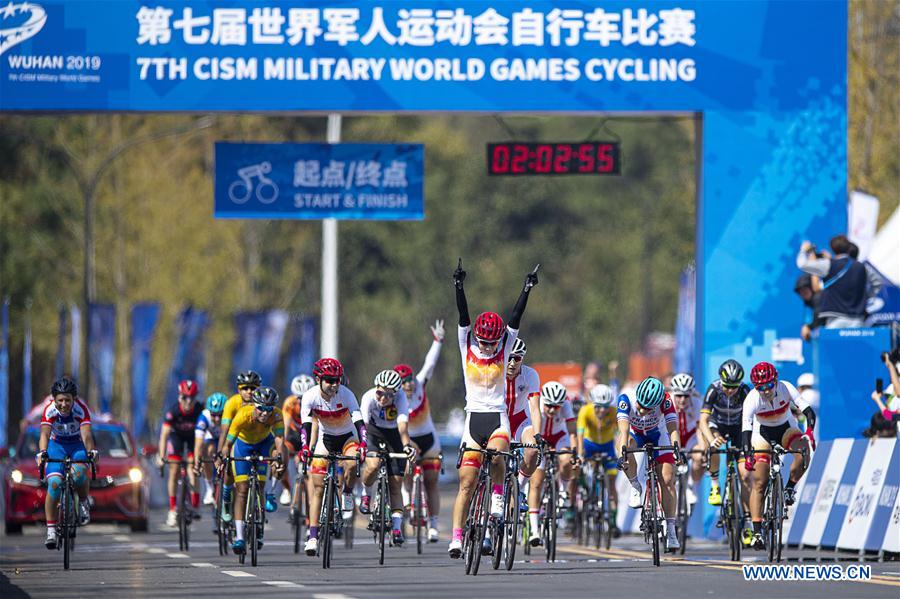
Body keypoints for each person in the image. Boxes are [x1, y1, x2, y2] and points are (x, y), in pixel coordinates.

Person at [448, 259, 539, 559]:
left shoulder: (504, 347)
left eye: (492, 342)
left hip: (497, 418)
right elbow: (463, 316)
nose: (487, 347)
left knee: (499, 455)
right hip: (473, 418)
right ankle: (458, 537)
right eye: (483, 342)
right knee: (467, 482)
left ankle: (498, 498)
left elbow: (516, 317)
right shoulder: (466, 347)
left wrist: (526, 288)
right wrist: (459, 286)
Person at [742, 361, 816, 551]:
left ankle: (790, 488)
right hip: (762, 434)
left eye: (768, 386)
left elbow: (808, 412)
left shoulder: (786, 388)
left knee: (803, 451)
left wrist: (809, 432)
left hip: (786, 428)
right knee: (760, 481)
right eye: (760, 388)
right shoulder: (751, 399)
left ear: (775, 381)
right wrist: (748, 454)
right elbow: (746, 430)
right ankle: (757, 531)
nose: (765, 391)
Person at [300, 358, 366, 557]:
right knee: (317, 488)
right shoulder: (310, 396)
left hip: (348, 438)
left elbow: (360, 422)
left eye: (337, 380)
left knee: (353, 460)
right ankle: (313, 536)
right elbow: (306, 425)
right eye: (329, 380)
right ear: (318, 379)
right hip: (326, 439)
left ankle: (347, 491)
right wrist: (304, 447)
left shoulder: (346, 395)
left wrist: (363, 444)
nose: (334, 385)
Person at [216, 386, 286, 555]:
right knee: (241, 490)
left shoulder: (276, 415)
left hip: (264, 444)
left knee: (261, 485)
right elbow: (228, 444)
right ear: (255, 406)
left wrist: (280, 459)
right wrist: (223, 458)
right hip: (243, 446)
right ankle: (239, 537)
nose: (265, 413)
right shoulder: (242, 415)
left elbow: (279, 441)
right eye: (261, 409)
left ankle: (260, 522)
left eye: (268, 409)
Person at [616, 376, 682, 552]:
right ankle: (635, 484)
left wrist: (677, 450)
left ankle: (671, 530)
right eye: (641, 405)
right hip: (635, 434)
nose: (642, 410)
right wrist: (623, 454)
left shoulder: (666, 400)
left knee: (668, 480)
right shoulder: (626, 398)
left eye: (648, 408)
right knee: (624, 445)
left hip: (658, 434)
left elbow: (673, 429)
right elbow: (623, 430)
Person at [397, 319, 445, 543]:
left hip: (429, 440)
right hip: (410, 441)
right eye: (404, 383)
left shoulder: (420, 383)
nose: (409, 385)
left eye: (410, 381)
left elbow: (430, 364)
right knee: (406, 468)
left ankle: (433, 524)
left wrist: (438, 341)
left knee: (432, 481)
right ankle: (407, 496)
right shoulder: (394, 398)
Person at [36, 377, 97, 549]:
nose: (64, 404)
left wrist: (91, 452)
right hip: (57, 446)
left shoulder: (81, 410)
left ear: (74, 399)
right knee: (54, 484)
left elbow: (86, 435)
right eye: (60, 400)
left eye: (67, 400)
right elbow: (44, 435)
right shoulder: (49, 411)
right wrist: (42, 453)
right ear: (54, 400)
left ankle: (83, 501)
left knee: (79, 475)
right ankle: (51, 530)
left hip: (76, 445)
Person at [699, 359, 753, 545]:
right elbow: (703, 420)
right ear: (721, 381)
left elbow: (755, 417)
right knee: (713, 446)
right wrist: (711, 438)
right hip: (718, 426)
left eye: (734, 387)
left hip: (739, 428)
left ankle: (747, 524)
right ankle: (715, 485)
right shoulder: (714, 389)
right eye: (727, 386)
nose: (730, 390)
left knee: (746, 476)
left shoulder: (745, 391)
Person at [359, 370, 416, 546]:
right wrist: (362, 448)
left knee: (395, 484)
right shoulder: (368, 397)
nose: (383, 398)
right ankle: (366, 493)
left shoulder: (401, 399)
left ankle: (397, 528)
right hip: (373, 433)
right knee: (373, 465)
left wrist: (407, 447)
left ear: (396, 393)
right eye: (380, 393)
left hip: (394, 435)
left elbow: (403, 428)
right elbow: (363, 427)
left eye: (388, 395)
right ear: (375, 388)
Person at [528, 381, 578, 547]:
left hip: (558, 436)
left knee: (566, 460)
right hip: (540, 438)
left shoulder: (567, 404)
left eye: (556, 407)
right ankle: (534, 530)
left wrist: (575, 453)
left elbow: (572, 432)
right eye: (549, 405)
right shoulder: (536, 402)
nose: (551, 410)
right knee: (537, 481)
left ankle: (563, 490)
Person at [796, 235, 881, 328]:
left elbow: (802, 264)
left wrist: (803, 249)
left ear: (833, 249)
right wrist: (866, 297)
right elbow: (877, 282)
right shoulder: (861, 266)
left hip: (835, 320)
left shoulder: (829, 264)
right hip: (857, 320)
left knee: (833, 342)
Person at [503, 338, 542, 537]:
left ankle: (519, 488)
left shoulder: (530, 375)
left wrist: (538, 435)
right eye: (508, 357)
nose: (511, 363)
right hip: (498, 419)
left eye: (516, 359)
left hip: (519, 420)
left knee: (533, 450)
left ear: (522, 359)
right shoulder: (495, 372)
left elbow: (534, 408)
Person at [157, 379, 204, 527]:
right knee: (174, 469)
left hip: (193, 439)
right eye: (185, 397)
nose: (189, 402)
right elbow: (164, 435)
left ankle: (195, 504)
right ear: (180, 397)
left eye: (192, 398)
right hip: (176, 438)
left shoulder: (200, 410)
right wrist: (161, 455)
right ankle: (172, 509)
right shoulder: (173, 411)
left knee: (192, 468)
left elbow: (204, 436)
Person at [577, 383, 620, 537]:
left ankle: (613, 522)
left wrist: (619, 451)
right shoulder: (585, 411)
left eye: (605, 407)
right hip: (590, 443)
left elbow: (619, 434)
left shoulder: (614, 412)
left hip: (607, 445)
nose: (602, 410)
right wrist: (581, 454)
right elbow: (580, 435)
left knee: (612, 481)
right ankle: (585, 488)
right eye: (598, 407)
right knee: (578, 466)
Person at [218, 370, 261, 523]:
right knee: (229, 462)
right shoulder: (232, 403)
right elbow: (224, 431)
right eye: (245, 388)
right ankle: (227, 497)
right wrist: (220, 452)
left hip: (257, 440)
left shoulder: (262, 402)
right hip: (235, 438)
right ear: (239, 390)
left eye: (253, 388)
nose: (249, 391)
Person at [669, 373, 707, 506]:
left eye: (686, 395)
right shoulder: (667, 402)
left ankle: (692, 485)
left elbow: (699, 428)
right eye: (679, 395)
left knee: (700, 457)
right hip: (672, 436)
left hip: (690, 437)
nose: (682, 399)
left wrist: (703, 448)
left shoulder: (697, 402)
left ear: (691, 393)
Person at [282, 373, 316, 512]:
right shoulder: (290, 403)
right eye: (299, 398)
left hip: (310, 433)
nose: (302, 401)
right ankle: (286, 489)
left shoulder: (315, 401)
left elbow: (315, 427)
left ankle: (304, 498)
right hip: (295, 434)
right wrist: (282, 444)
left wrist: (310, 447)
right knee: (282, 454)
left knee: (304, 465)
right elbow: (285, 426)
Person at [192, 392, 226, 505]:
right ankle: (209, 487)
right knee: (207, 451)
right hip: (211, 438)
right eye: (213, 415)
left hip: (225, 439)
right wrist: (197, 463)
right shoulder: (203, 417)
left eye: (220, 415)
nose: (217, 419)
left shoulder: (230, 415)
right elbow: (198, 444)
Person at [794, 274, 824, 341]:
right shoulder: (812, 303)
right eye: (800, 291)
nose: (803, 292)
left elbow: (818, 317)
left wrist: (808, 327)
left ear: (811, 288)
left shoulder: (818, 298)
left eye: (805, 289)